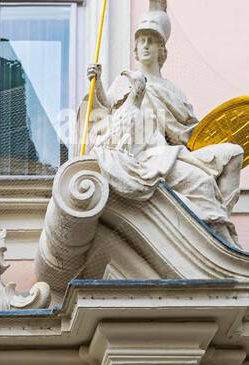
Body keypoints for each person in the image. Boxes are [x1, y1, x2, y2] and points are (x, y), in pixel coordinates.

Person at [83, 1, 243, 244]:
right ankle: (219, 239)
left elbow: (192, 134)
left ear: (161, 49)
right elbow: (103, 117)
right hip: (145, 156)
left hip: (172, 154)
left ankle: (223, 230)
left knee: (233, 153)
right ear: (135, 48)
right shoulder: (124, 82)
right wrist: (97, 87)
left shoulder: (173, 92)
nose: (145, 45)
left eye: (152, 40)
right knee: (201, 182)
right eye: (141, 40)